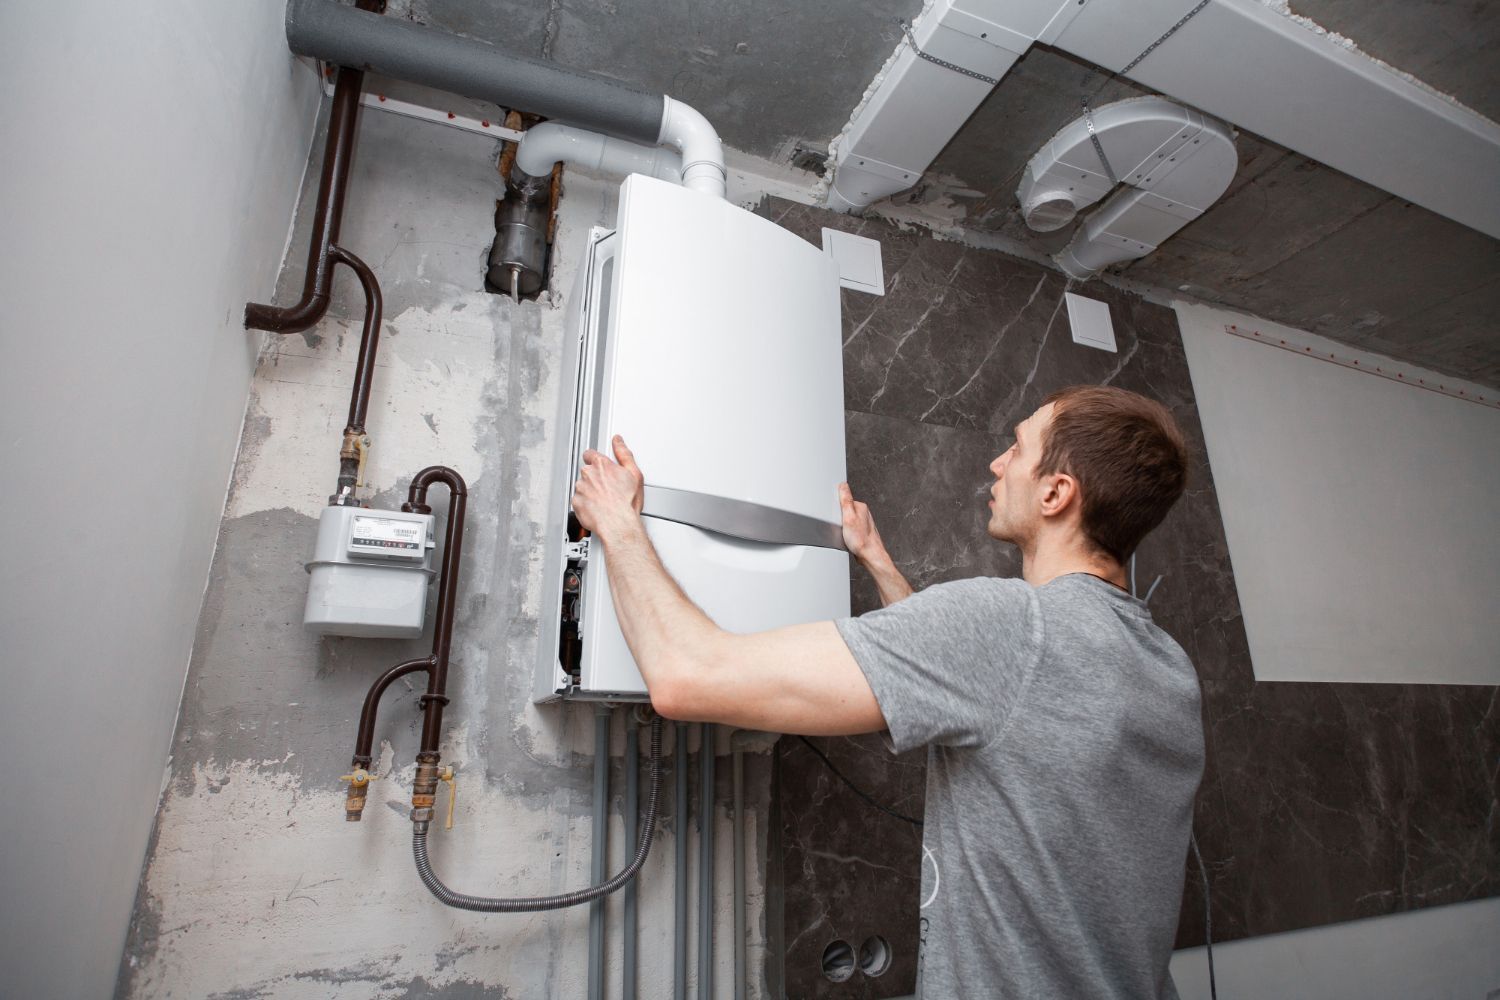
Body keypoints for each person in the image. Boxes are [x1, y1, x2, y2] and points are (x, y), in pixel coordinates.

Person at [571, 385, 1205, 999]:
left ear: (1056, 492)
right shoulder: (1168, 668)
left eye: (1017, 446)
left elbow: (688, 677)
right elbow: (965, 691)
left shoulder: (1009, 628)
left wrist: (618, 523)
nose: (997, 462)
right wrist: (876, 560)